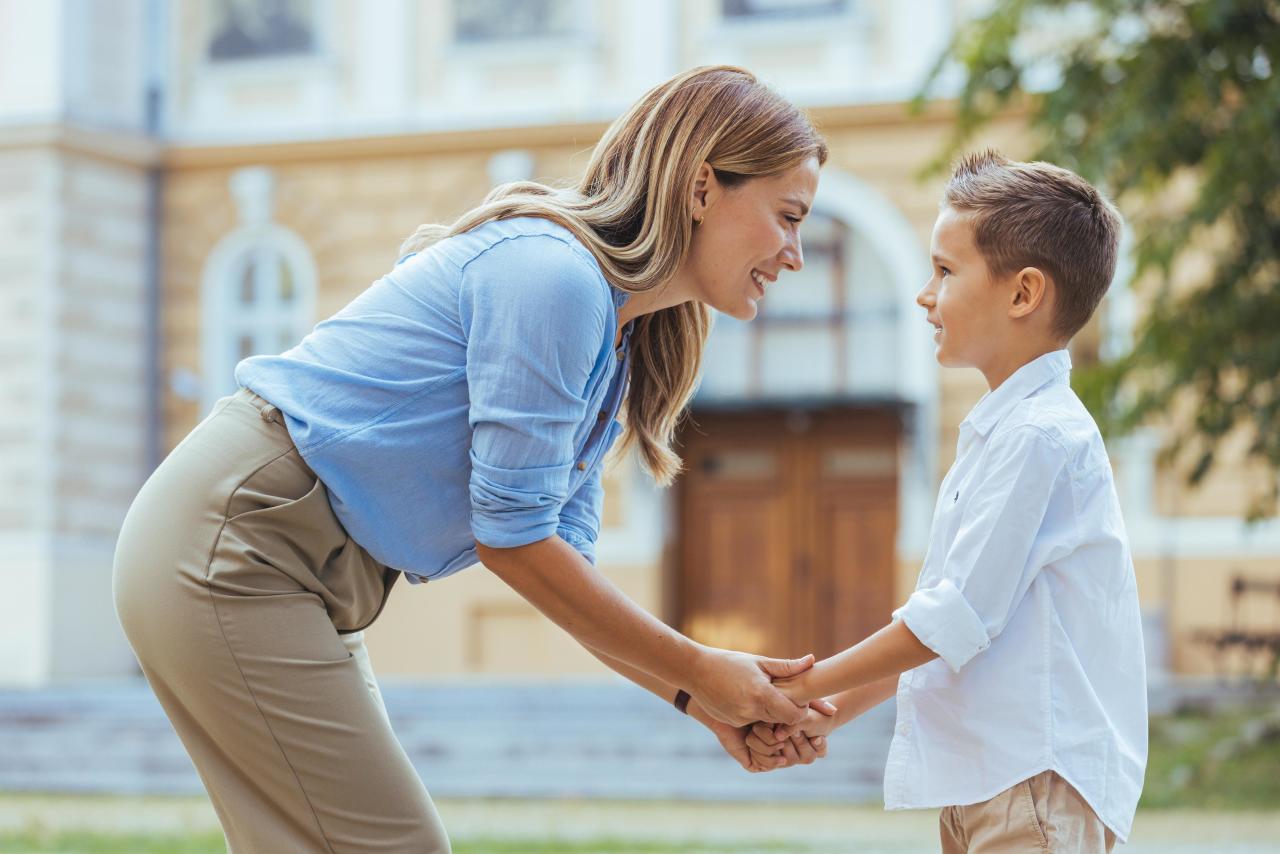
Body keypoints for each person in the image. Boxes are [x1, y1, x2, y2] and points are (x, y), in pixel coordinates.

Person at [113, 66, 830, 853]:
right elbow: (512, 540)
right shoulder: (553, 278)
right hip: (237, 542)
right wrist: (701, 668)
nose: (795, 253)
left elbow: (563, 568)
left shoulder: (612, 341)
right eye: (788, 215)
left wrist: (705, 699)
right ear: (702, 186)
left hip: (288, 562)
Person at [746, 151, 1148, 852]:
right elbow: (945, 632)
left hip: (1035, 782)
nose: (924, 295)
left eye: (944, 270)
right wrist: (830, 710)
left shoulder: (1039, 436)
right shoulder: (1001, 433)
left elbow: (950, 621)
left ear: (1023, 294)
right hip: (989, 782)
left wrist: (799, 686)